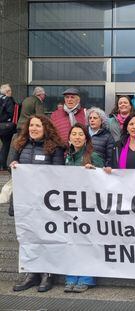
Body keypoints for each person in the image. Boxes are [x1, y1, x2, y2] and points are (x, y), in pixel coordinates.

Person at [10, 115, 65, 293]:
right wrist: (14, 163)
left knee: (46, 237)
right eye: (31, 125)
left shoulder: (54, 148)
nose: (33, 128)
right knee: (28, 237)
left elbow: (57, 173)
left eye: (38, 126)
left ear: (45, 128)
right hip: (25, 201)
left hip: (44, 202)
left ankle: (47, 274)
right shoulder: (19, 144)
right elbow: (8, 162)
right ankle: (31, 274)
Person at [64, 123, 103, 293]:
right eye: (74, 134)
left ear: (86, 139)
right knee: (72, 243)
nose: (77, 137)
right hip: (70, 208)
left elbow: (105, 178)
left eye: (81, 134)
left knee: (87, 242)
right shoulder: (66, 156)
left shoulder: (93, 156)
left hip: (89, 208)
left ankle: (87, 277)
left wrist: (95, 170)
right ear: (69, 138)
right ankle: (71, 277)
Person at [0, 84, 17, 170]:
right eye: (10, 91)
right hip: (6, 126)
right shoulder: (8, 99)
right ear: (7, 92)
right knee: (6, 145)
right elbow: (11, 112)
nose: (11, 92)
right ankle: (3, 165)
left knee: (3, 144)